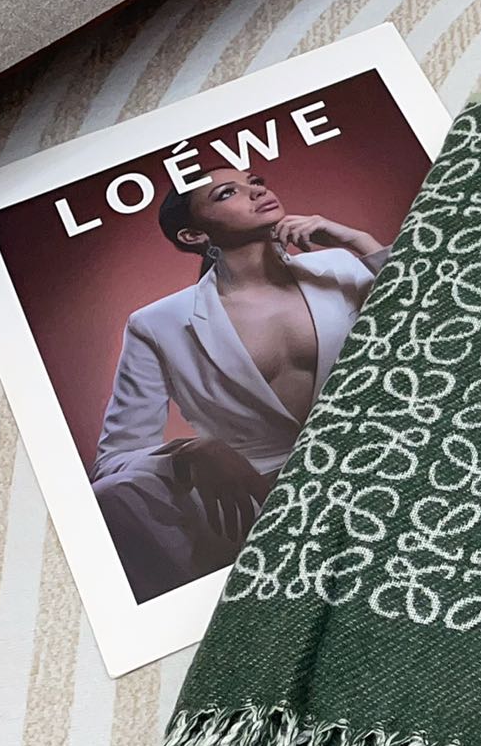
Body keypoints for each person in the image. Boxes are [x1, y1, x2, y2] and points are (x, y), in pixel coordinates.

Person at [91, 164, 389, 602]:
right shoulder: (157, 323)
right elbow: (114, 459)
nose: (256, 192)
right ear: (194, 234)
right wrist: (196, 451)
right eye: (227, 193)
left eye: (256, 182)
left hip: (373, 455)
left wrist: (360, 242)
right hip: (251, 494)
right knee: (111, 494)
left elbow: (433, 333)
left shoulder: (339, 265)